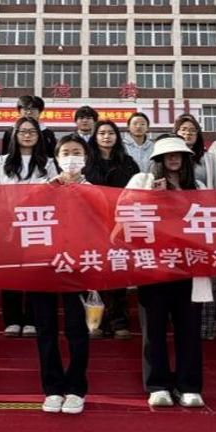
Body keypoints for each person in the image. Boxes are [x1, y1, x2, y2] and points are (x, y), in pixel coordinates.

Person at [126, 135, 205, 409]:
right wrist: (150, 198)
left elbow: (209, 222)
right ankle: (157, 384)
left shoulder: (198, 187)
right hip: (153, 267)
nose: (173, 159)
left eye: (178, 154)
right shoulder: (142, 181)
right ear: (157, 160)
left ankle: (189, 386)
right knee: (154, 329)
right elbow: (123, 214)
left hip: (189, 267)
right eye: (167, 155)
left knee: (189, 329)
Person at [31, 134, 95, 414]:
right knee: (46, 328)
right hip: (44, 265)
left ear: (86, 158)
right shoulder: (42, 188)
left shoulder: (95, 191)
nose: (71, 157)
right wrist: (46, 191)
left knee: (77, 329)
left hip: (79, 266)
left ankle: (76, 388)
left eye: (76, 152)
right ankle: (52, 388)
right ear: (56, 159)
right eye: (65, 152)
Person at [0, 117, 54, 337]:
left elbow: (54, 193)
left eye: (32, 132)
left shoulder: (48, 163)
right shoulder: (2, 162)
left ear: (38, 136)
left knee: (35, 272)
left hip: (38, 223)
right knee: (11, 272)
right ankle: (13, 319)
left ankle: (31, 320)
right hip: (9, 224)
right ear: (15, 135)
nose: (27, 135)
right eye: (22, 131)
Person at [85, 120, 141, 339]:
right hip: (91, 224)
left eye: (111, 133)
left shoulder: (128, 162)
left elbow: (137, 191)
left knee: (117, 271)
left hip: (120, 223)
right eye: (102, 133)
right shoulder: (86, 162)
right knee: (95, 272)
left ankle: (119, 322)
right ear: (95, 137)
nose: (106, 137)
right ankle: (95, 322)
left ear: (117, 137)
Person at [171, 114, 208, 187]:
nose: (188, 133)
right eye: (183, 129)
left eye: (192, 130)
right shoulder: (168, 156)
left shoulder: (207, 159)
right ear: (176, 132)